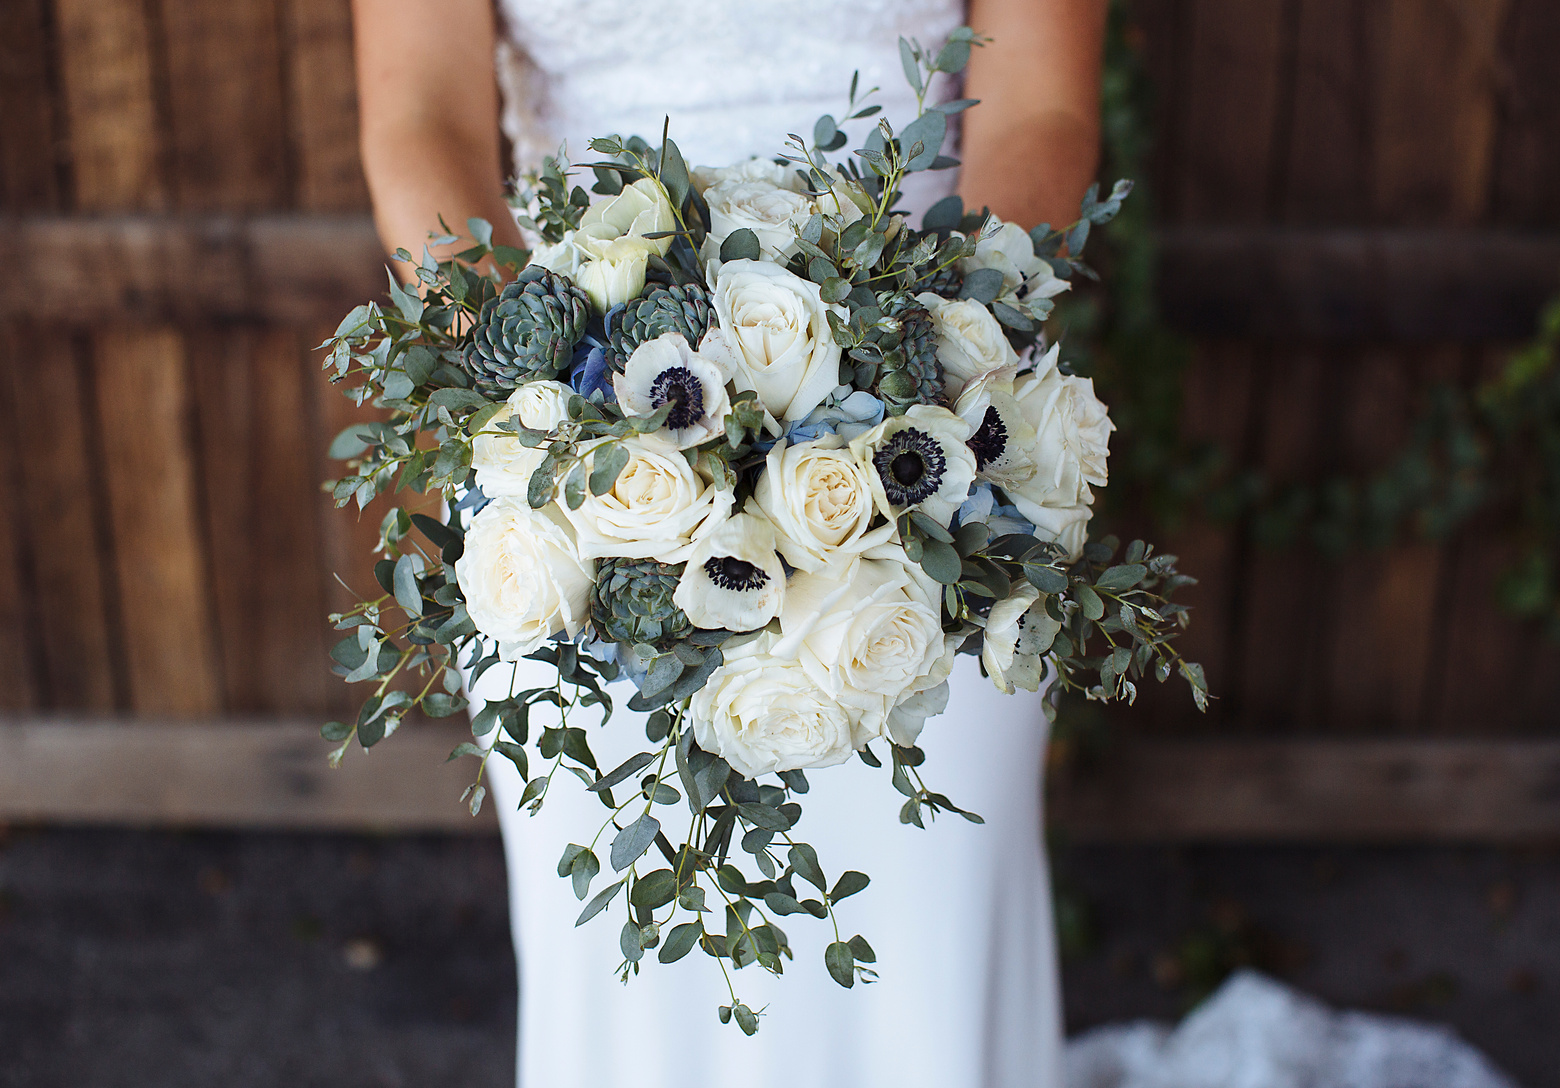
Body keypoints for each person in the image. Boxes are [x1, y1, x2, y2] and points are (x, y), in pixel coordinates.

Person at [351, 3, 1107, 1086]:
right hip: (584, 462)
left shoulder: (927, 423)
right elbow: (421, 117)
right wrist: (543, 402)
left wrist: (913, 375)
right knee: (626, 980)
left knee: (926, 951)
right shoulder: (568, 456)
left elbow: (1039, 107)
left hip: (928, 452)